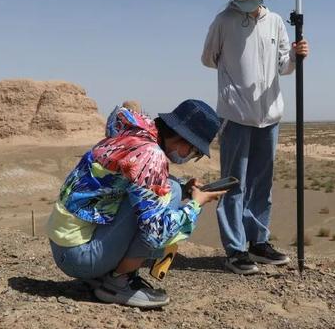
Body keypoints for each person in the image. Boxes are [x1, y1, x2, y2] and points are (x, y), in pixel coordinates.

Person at [47, 99, 225, 308]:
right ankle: (118, 283)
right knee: (170, 193)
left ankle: (105, 275)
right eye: (194, 152)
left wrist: (186, 187)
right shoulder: (151, 155)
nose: (190, 157)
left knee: (172, 186)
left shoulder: (135, 133)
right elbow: (157, 233)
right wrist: (196, 204)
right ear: (181, 138)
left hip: (65, 246)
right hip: (81, 257)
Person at [201, 0, 310, 275]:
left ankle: (258, 241)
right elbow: (208, 58)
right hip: (234, 116)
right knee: (234, 184)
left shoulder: (276, 22)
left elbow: (284, 66)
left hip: (269, 115)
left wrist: (296, 55)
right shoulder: (223, 21)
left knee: (262, 182)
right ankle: (235, 249)